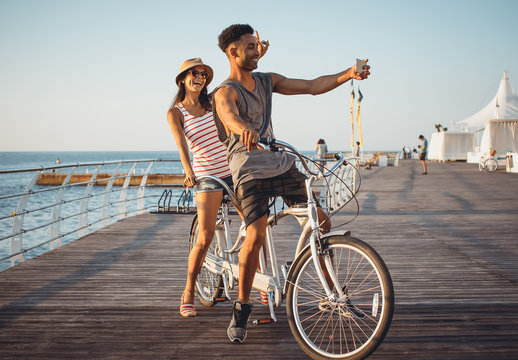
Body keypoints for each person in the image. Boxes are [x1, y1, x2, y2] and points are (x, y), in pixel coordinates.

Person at [212, 24, 370, 343]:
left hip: (280, 165)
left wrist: (348, 74)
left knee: (320, 221)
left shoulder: (267, 81)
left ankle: (332, 292)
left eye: (258, 45)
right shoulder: (225, 90)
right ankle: (242, 307)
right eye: (251, 46)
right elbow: (228, 115)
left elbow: (312, 85)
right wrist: (242, 129)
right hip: (248, 170)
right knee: (254, 234)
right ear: (233, 52)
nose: (257, 50)